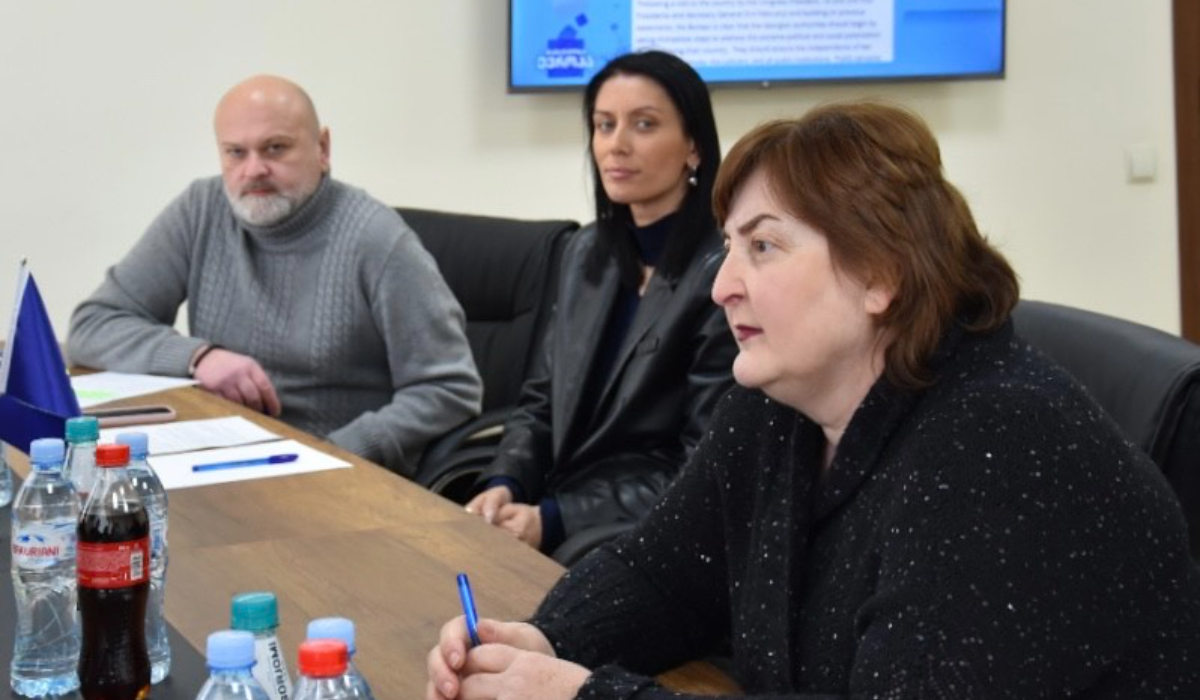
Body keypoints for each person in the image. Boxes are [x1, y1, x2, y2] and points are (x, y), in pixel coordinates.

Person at [427, 101, 1200, 699]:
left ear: (881, 273)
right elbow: (666, 573)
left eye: (763, 247)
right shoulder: (781, 403)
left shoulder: (999, 446)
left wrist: (585, 694)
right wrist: (548, 642)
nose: (722, 286)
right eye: (728, 247)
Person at [67, 75, 482, 477]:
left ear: (322, 148)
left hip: (338, 475)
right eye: (236, 152)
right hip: (223, 456)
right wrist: (199, 357)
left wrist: (335, 453)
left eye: (275, 148)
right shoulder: (201, 209)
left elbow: (450, 390)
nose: (253, 170)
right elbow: (92, 325)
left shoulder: (378, 240)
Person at [464, 51, 736, 559]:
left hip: (648, 529)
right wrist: (505, 482)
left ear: (694, 146)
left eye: (644, 124)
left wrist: (555, 519)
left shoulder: (723, 273)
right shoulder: (585, 252)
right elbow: (541, 402)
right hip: (558, 504)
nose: (617, 145)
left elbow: (704, 465)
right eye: (604, 125)